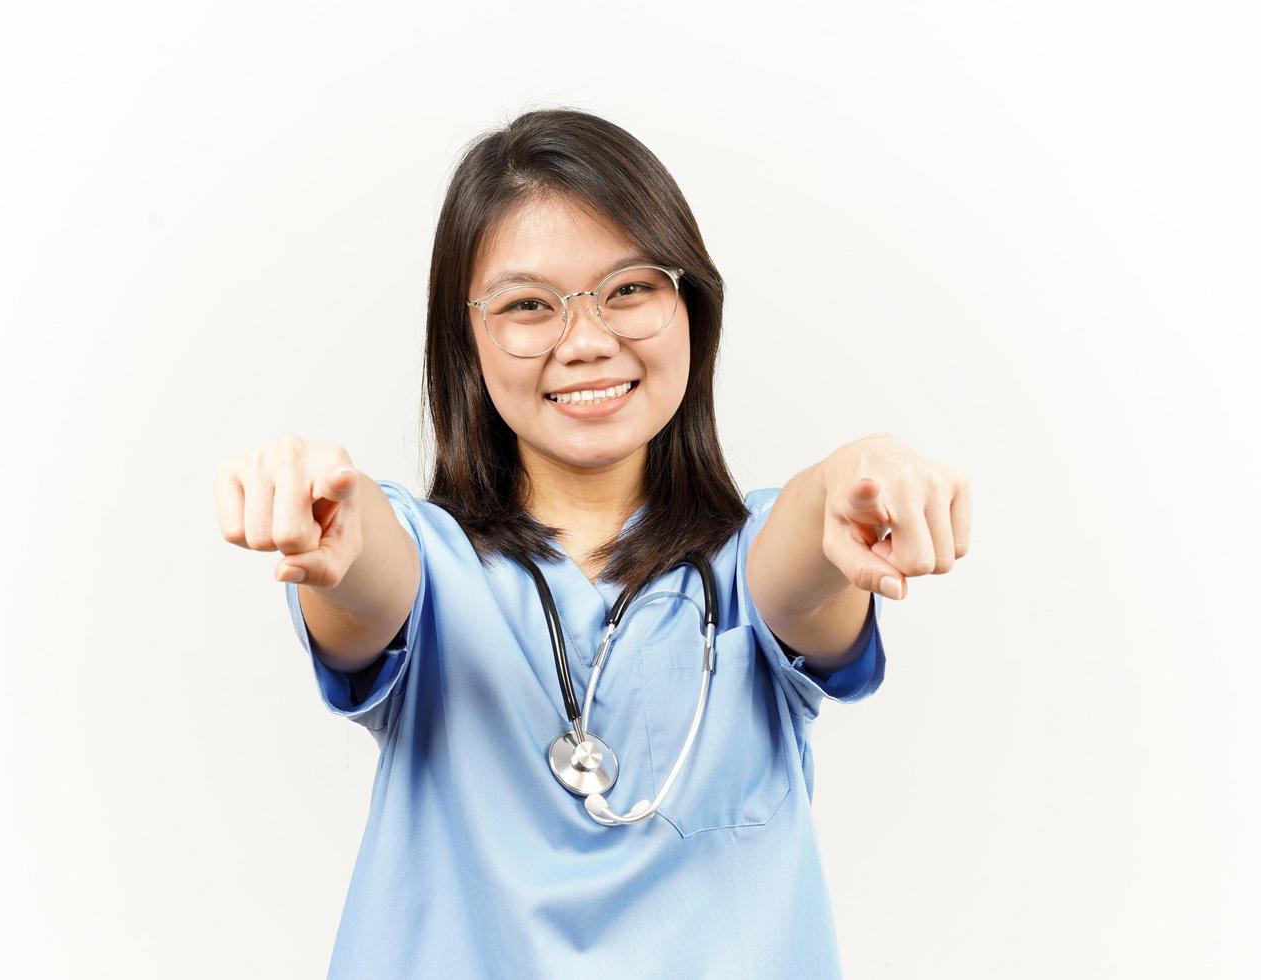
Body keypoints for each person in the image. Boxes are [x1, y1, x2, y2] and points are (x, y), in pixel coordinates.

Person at [215, 108, 971, 979]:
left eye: (630, 289)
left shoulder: (750, 569)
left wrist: (852, 475)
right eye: (528, 305)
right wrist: (331, 524)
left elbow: (803, 559)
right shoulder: (431, 566)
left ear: (691, 307)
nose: (585, 341)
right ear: (467, 343)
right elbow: (370, 575)